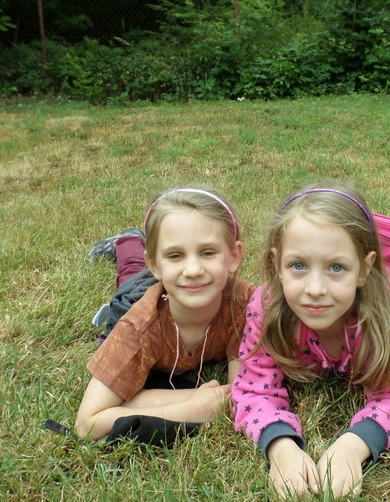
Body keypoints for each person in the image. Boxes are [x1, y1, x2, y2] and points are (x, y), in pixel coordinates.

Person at [232, 182, 390, 499]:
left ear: (364, 269)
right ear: (277, 265)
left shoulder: (389, 311)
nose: (315, 288)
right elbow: (253, 387)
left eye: (336, 267)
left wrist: (354, 446)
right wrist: (280, 446)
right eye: (298, 265)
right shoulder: (267, 306)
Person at [73, 187, 255, 444]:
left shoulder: (246, 306)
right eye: (175, 255)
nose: (193, 270)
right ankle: (127, 242)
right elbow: (86, 425)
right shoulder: (137, 328)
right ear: (155, 265)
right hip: (139, 293)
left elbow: (239, 392)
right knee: (131, 274)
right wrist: (190, 408)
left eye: (207, 252)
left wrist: (138, 402)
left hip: (169, 287)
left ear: (234, 256)